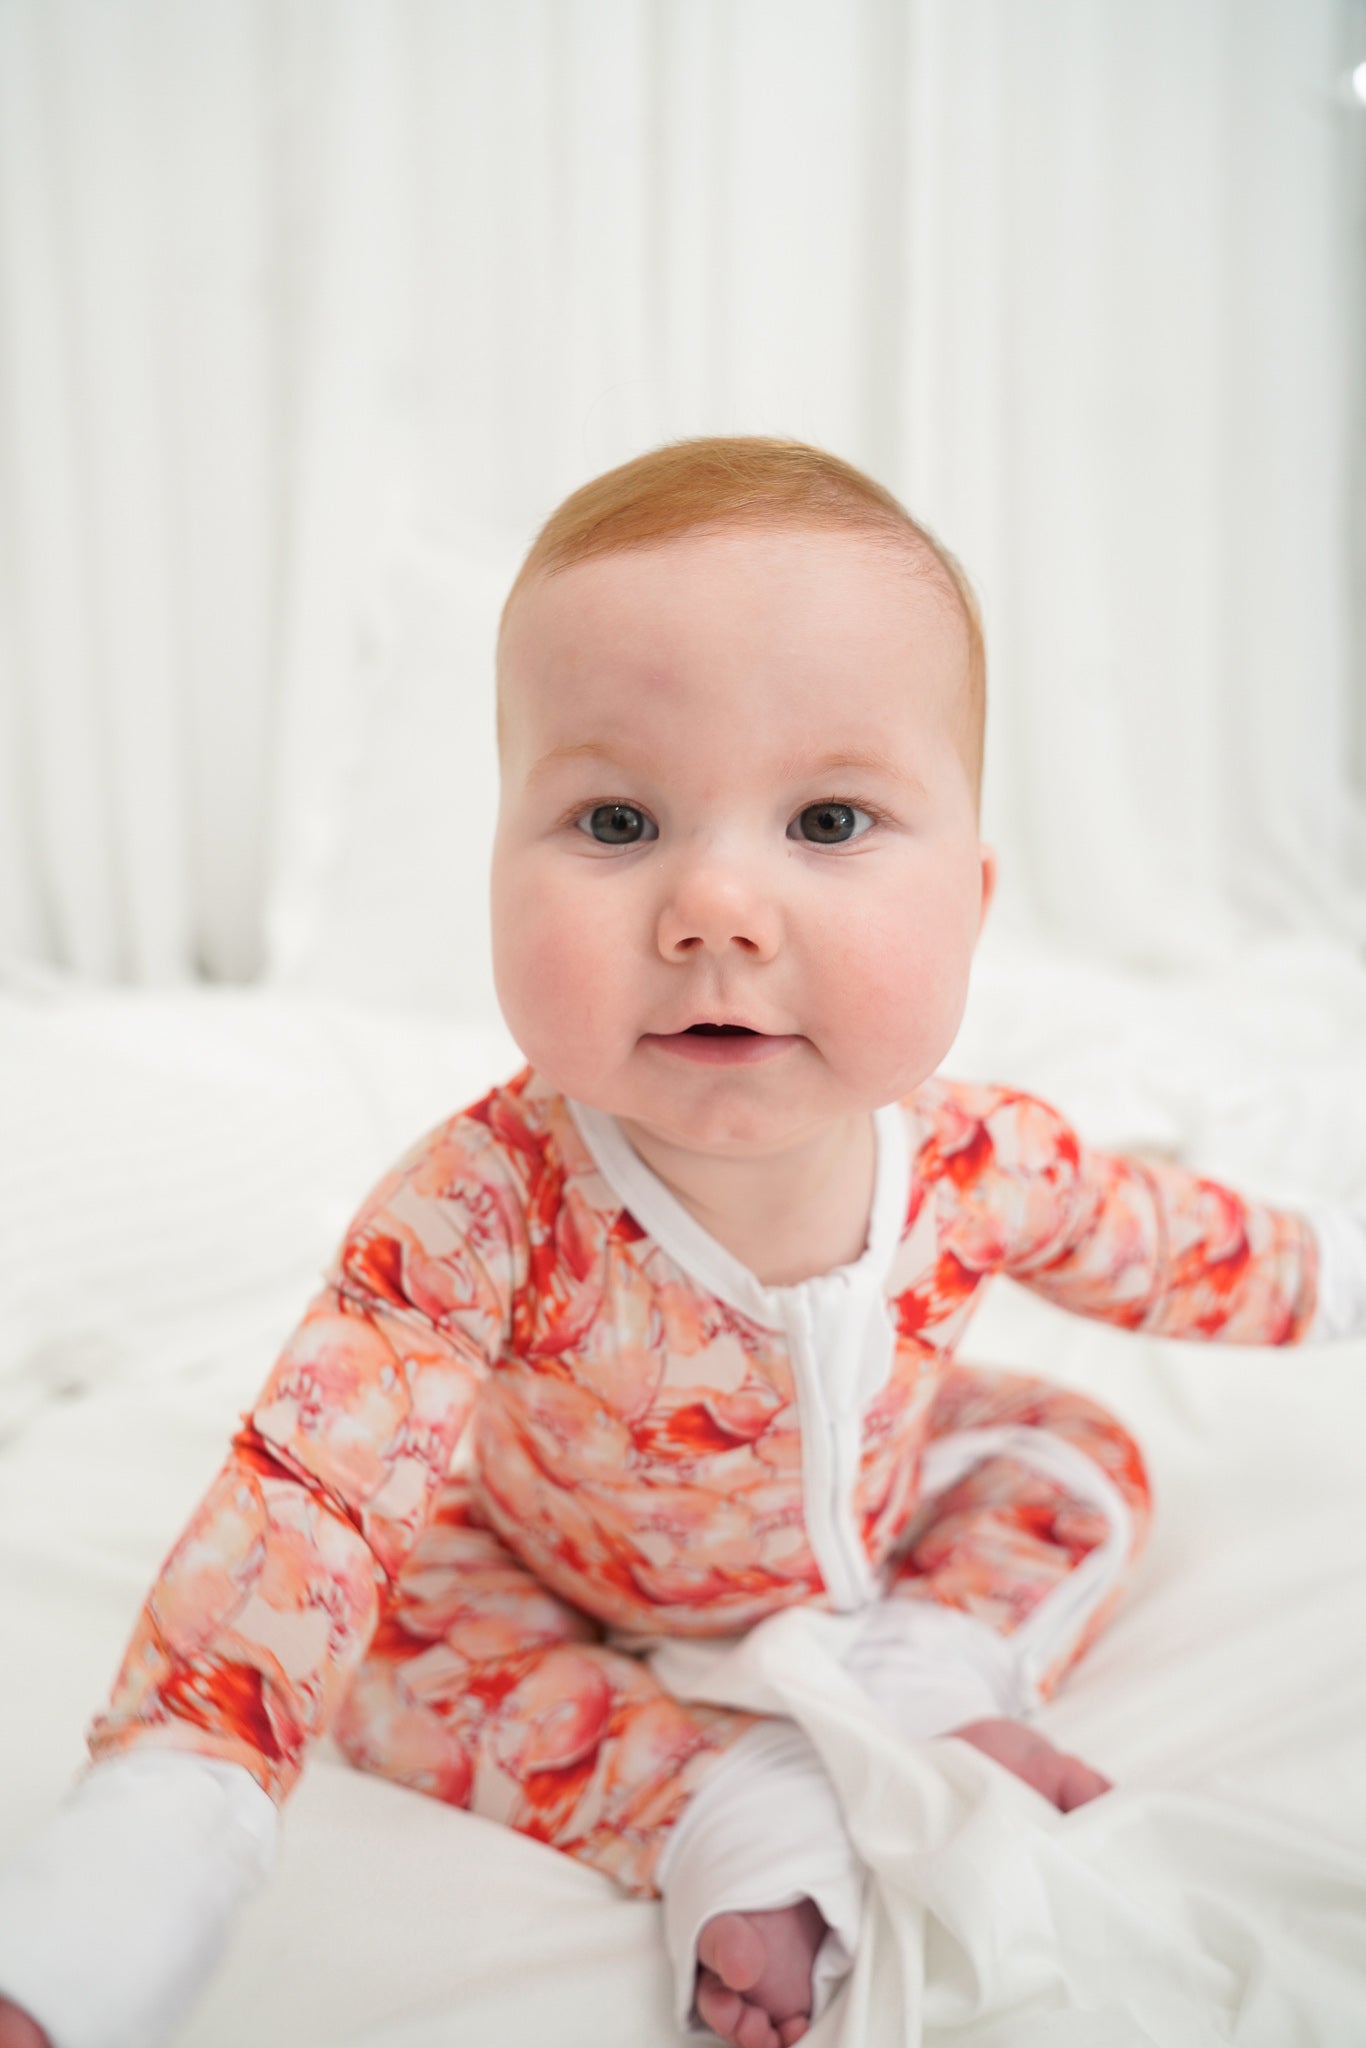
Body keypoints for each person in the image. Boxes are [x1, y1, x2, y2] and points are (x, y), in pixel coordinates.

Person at [1, 437, 1363, 2048]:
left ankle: (926, 1677)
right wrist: (148, 1846)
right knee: (380, 1641)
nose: (714, 903)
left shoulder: (983, 1159)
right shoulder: (482, 1208)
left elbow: (1191, 1248)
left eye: (829, 818)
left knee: (1077, 1458)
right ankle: (722, 1798)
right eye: (617, 817)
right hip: (552, 1564)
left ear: (975, 901)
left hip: (878, 1528)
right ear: (489, 873)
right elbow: (304, 1507)